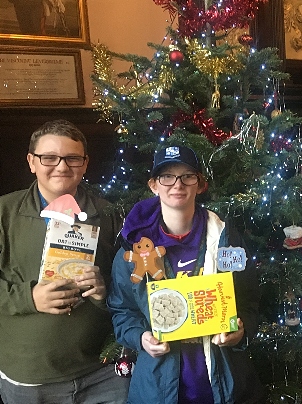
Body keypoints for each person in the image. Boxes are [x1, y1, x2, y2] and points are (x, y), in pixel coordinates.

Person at [108, 145, 263, 403]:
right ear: (153, 185)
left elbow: (248, 300)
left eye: (187, 176)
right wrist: (141, 337)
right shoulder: (134, 248)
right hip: (159, 388)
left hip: (224, 386)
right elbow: (122, 311)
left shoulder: (227, 240)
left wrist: (241, 330)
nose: (177, 184)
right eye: (166, 176)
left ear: (200, 184)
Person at [0, 120, 128, 403]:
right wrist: (29, 297)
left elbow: (130, 283)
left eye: (72, 158)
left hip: (104, 372)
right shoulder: (4, 213)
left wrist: (103, 289)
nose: (61, 166)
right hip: (31, 377)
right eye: (49, 158)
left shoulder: (110, 215)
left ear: (84, 164)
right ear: (31, 162)